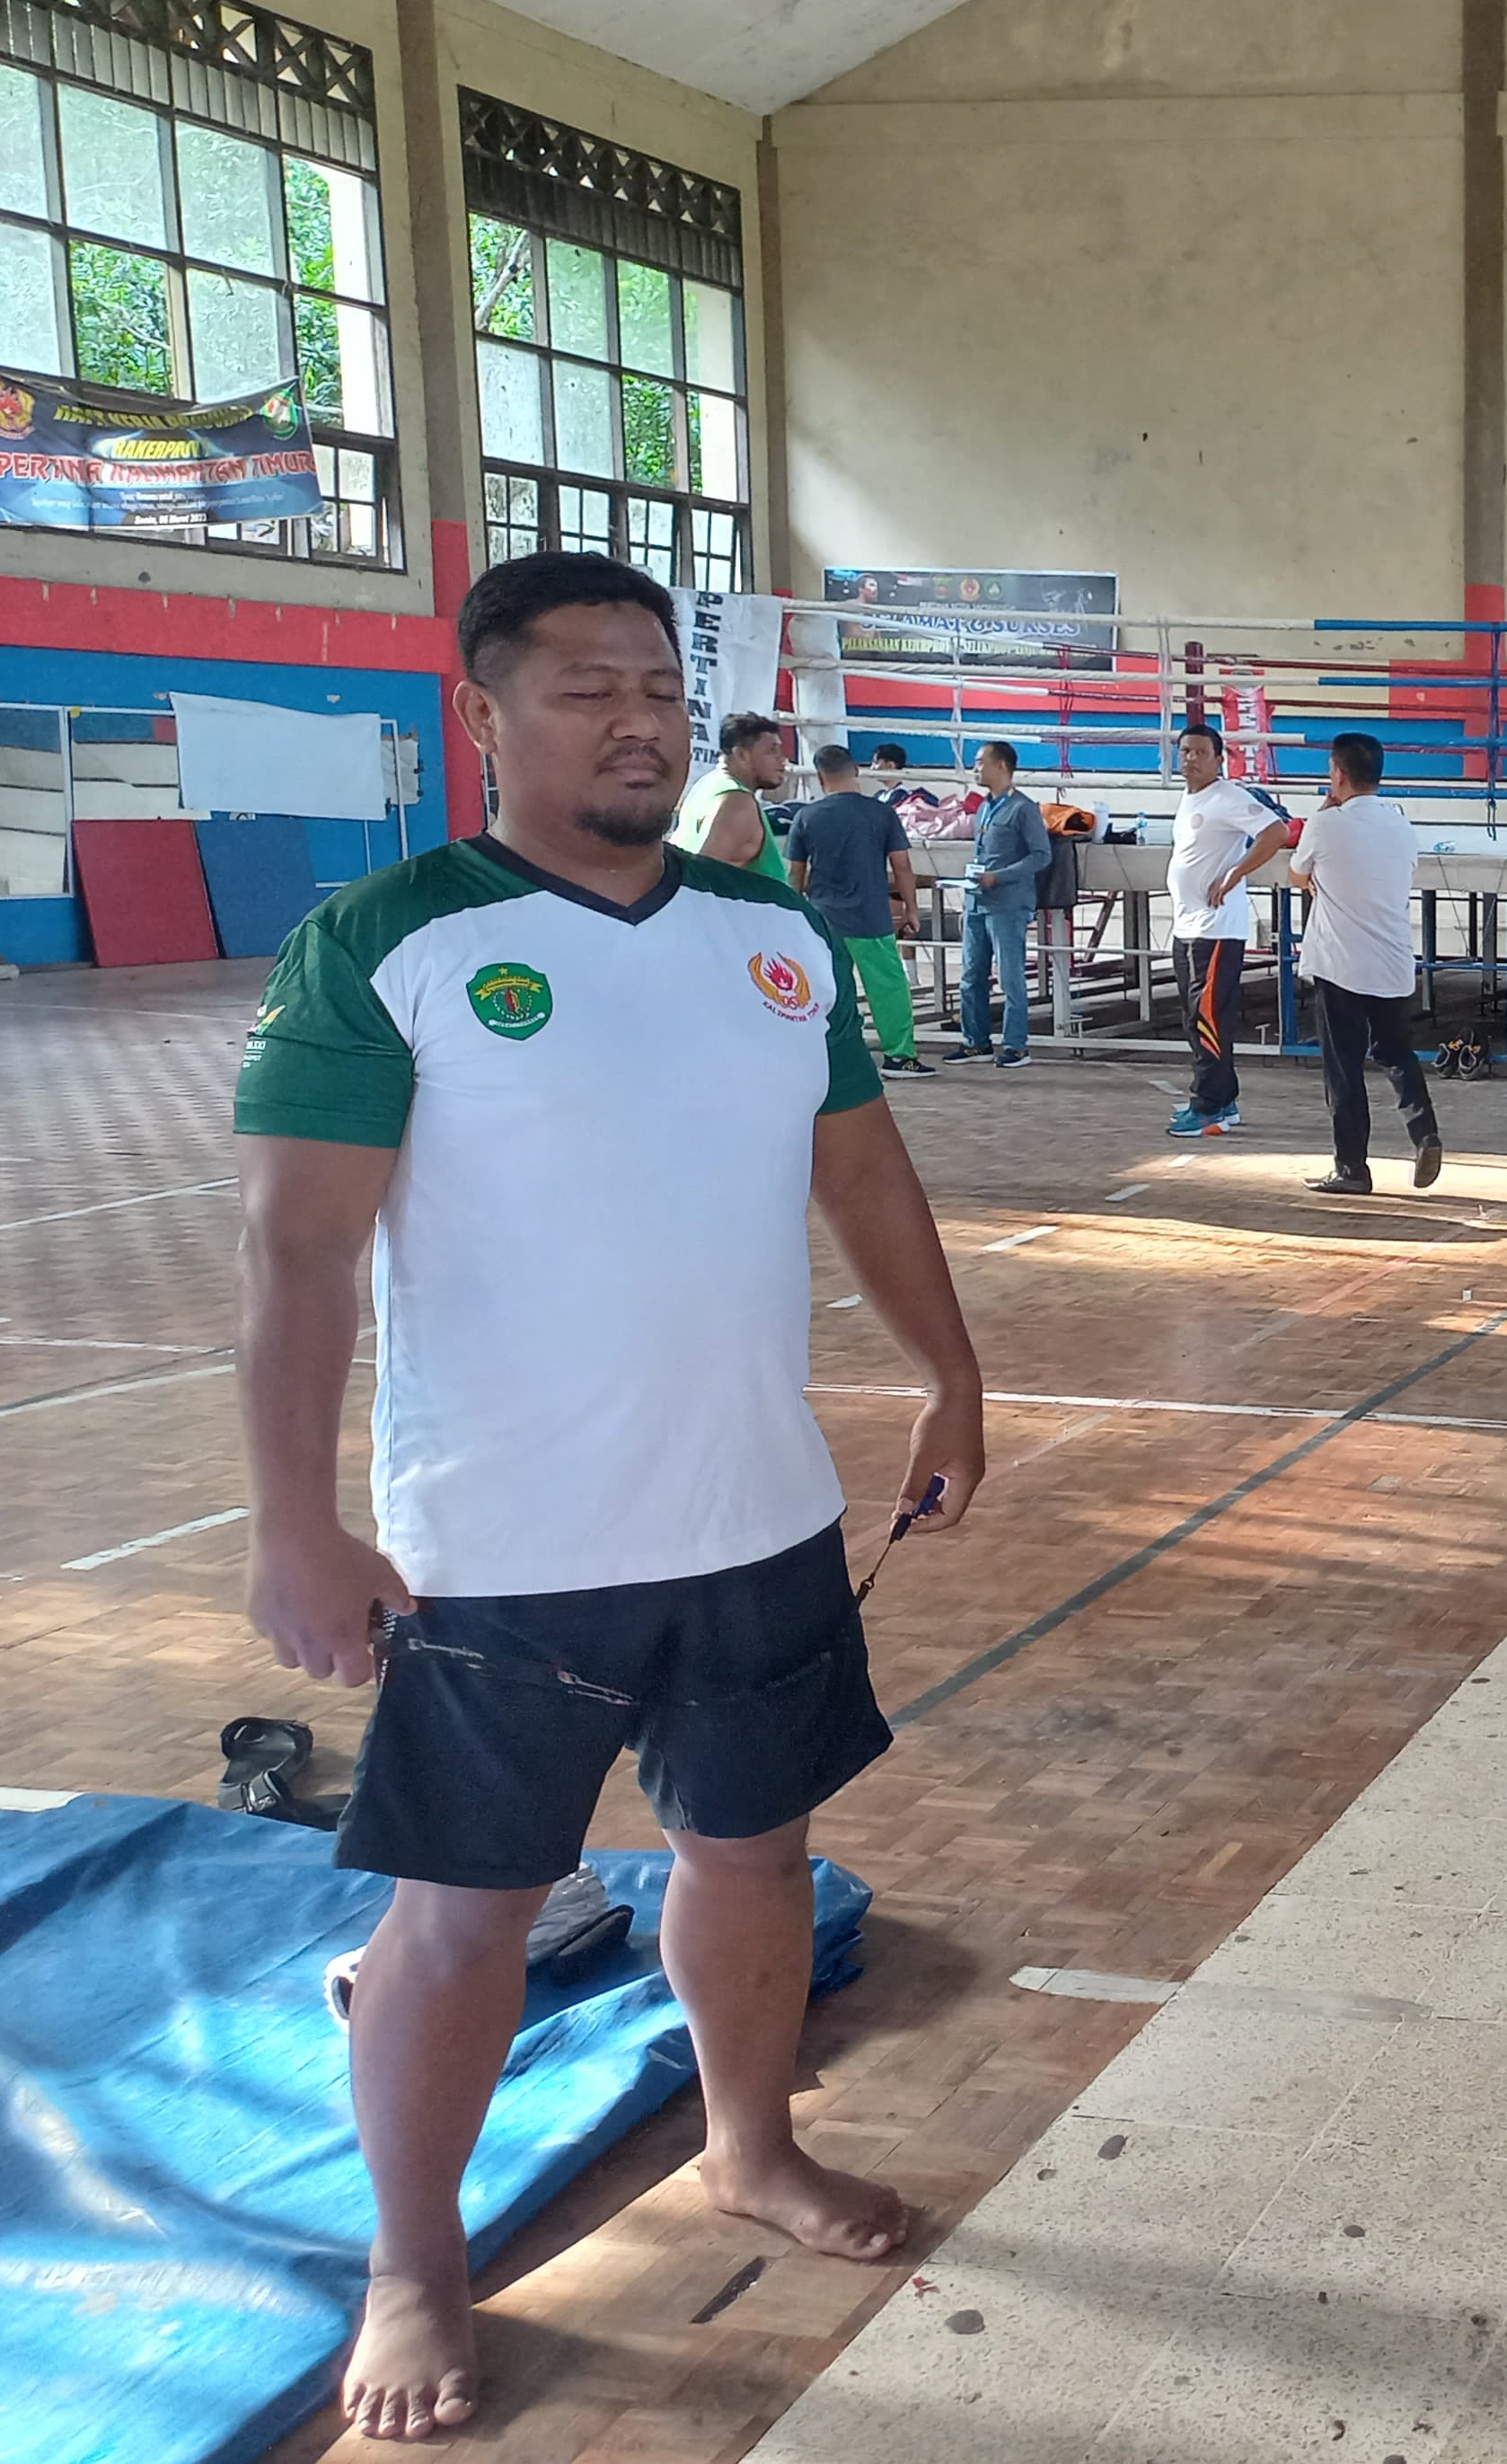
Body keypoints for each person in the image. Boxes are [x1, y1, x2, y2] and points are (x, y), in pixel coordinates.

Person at [232, 550, 987, 2446]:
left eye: (653, 680)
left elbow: (867, 1176)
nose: (634, 715)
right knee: (461, 1921)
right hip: (504, 1549)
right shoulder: (389, 937)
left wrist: (949, 1370)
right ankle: (415, 2259)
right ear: (480, 714)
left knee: (754, 1859)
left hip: (753, 1516)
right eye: (583, 685)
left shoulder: (768, 936)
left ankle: (750, 2143)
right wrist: (297, 1523)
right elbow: (298, 1257)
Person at [1289, 729, 1442, 1194]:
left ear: (1336, 774)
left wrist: (1324, 813)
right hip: (1394, 961)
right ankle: (1424, 1132)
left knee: (1344, 1067)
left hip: (1342, 966)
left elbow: (1298, 873)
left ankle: (1353, 1167)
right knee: (1397, 1054)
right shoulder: (1400, 822)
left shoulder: (1326, 824)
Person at [1165, 722, 1293, 1139]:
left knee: (1207, 1017)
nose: (1191, 759)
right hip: (1188, 925)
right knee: (1194, 1016)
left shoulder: (1228, 796)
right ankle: (1225, 1096)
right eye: (1185, 751)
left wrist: (1236, 873)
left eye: (1201, 752)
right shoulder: (1190, 799)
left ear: (1219, 759)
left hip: (1216, 927)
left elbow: (1277, 831)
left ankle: (1207, 1106)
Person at [784, 743, 928, 1078]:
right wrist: (911, 909)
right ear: (857, 772)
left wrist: (795, 916)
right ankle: (899, 1057)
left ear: (821, 779)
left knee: (832, 991)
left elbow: (796, 874)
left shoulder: (806, 817)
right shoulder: (881, 813)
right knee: (889, 989)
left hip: (824, 920)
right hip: (871, 918)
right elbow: (902, 865)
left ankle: (839, 1059)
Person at [942, 738, 1048, 1068]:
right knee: (971, 975)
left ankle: (1016, 1045)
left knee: (1010, 976)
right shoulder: (985, 807)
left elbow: (1041, 856)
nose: (975, 769)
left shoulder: (1023, 808)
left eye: (979, 762)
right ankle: (976, 1042)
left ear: (1002, 765)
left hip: (1007, 904)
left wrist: (999, 876)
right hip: (976, 901)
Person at [671, 711, 790, 881]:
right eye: (772, 751)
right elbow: (703, 877)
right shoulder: (736, 802)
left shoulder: (705, 785)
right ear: (742, 755)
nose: (782, 759)